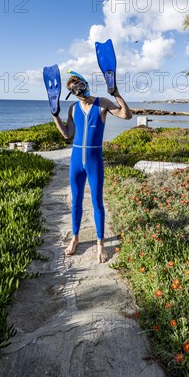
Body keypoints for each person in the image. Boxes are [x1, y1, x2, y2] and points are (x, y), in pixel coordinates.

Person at [52, 72, 132, 263]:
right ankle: (76, 238)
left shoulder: (102, 103)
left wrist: (116, 93)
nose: (79, 90)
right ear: (72, 92)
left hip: (95, 160)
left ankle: (100, 244)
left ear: (85, 84)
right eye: (74, 89)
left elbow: (126, 115)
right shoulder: (73, 108)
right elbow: (66, 134)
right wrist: (55, 115)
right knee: (76, 200)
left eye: (80, 86)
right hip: (76, 160)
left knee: (97, 201)